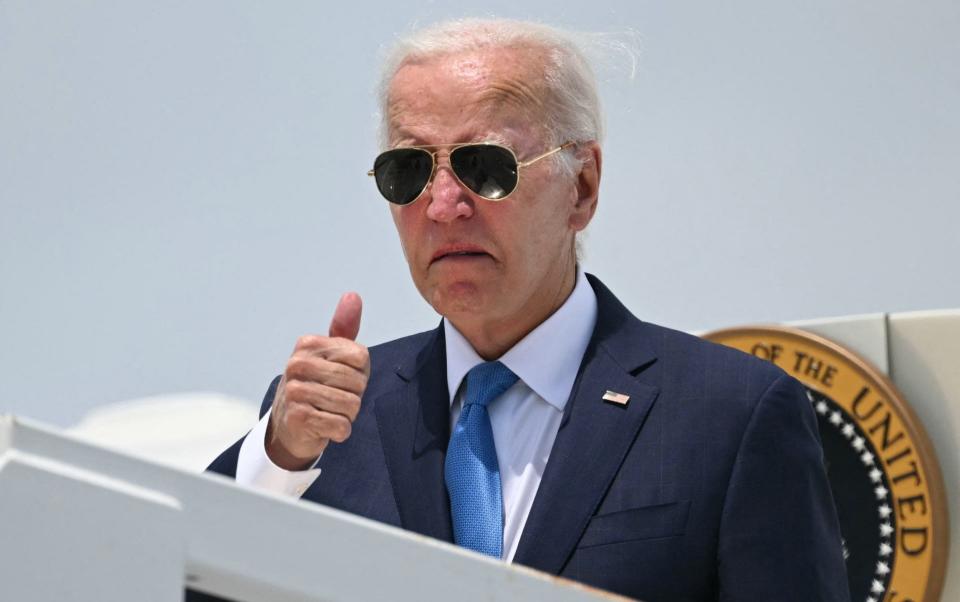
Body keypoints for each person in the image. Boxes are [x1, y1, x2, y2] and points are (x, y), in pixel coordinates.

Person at [193, 18, 850, 601]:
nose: (443, 203)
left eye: (485, 166)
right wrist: (277, 458)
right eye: (408, 171)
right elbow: (178, 576)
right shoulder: (327, 426)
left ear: (582, 186)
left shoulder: (729, 416)